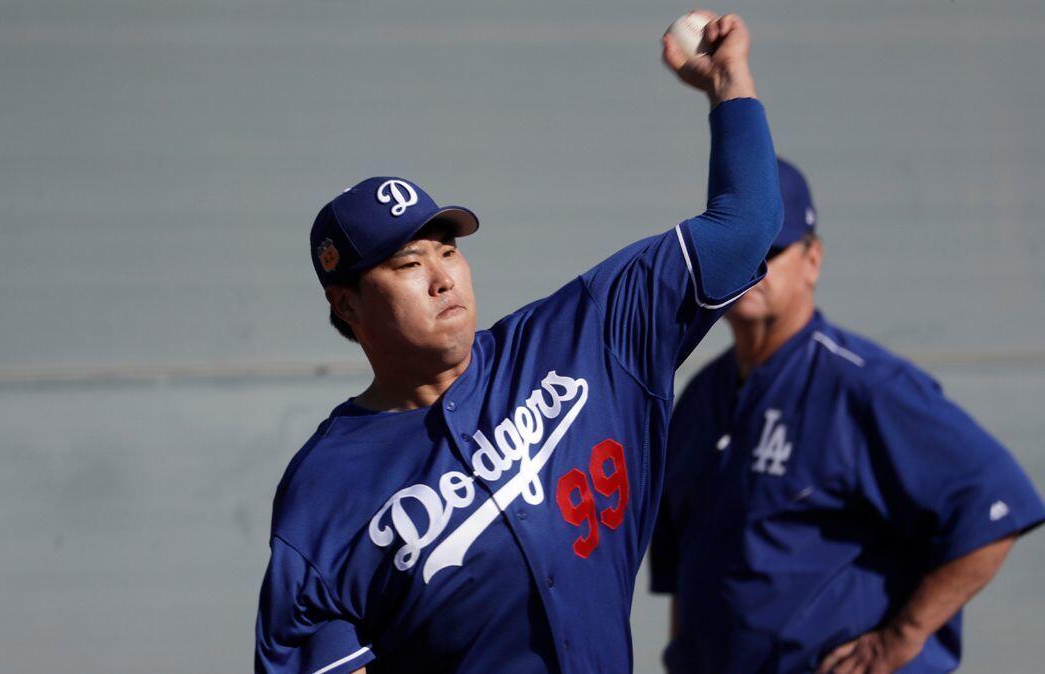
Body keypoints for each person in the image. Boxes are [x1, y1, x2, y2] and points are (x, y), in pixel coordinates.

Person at [255, 12, 783, 673]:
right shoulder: (325, 489)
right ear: (348, 305)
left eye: (448, 249)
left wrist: (730, 82)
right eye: (408, 263)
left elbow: (748, 224)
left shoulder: (586, 336)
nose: (442, 275)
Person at [648, 158, 1045, 674]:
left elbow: (996, 502)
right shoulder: (700, 396)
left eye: (772, 250)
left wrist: (897, 641)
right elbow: (685, 567)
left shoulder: (865, 387)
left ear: (813, 260)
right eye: (736, 246)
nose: (751, 265)